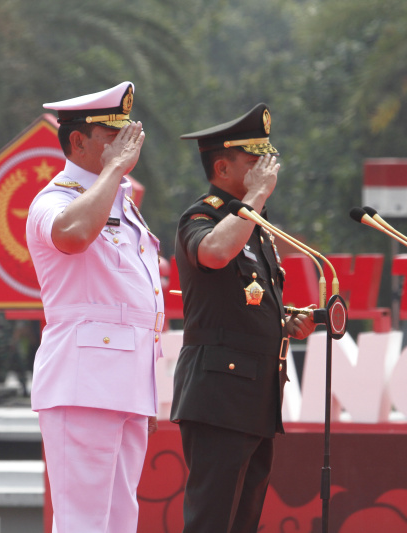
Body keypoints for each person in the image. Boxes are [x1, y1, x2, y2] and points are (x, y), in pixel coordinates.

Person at [171, 103, 317, 532]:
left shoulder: (256, 225)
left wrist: (285, 322)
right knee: (211, 520)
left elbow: (243, 302)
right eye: (253, 161)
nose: (266, 170)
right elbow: (214, 254)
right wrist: (253, 199)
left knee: (242, 522)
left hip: (255, 398)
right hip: (218, 396)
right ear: (222, 166)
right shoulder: (203, 216)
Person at [25, 81, 164, 533]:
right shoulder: (55, 199)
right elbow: (73, 235)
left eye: (127, 135)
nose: (124, 146)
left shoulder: (122, 204)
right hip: (83, 380)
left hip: (127, 380)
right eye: (111, 136)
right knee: (83, 522)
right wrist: (114, 172)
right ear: (78, 141)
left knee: (122, 520)